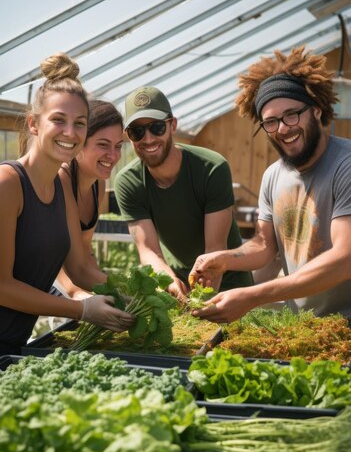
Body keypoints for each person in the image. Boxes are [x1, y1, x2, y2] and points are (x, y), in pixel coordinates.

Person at [189, 46, 351, 324]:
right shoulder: (273, 175)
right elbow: (265, 244)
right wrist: (225, 258)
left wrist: (254, 295)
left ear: (315, 110)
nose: (283, 129)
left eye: (292, 115)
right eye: (271, 122)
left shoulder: (345, 165)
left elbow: (345, 258)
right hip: (302, 327)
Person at [0, 52, 134, 355]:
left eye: (80, 123)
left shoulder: (59, 189)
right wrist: (81, 309)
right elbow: (1, 285)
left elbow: (78, 265)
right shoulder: (8, 182)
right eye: (58, 120)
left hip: (13, 344)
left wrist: (133, 292)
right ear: (34, 124)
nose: (70, 133)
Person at [114, 85, 253, 300]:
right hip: (177, 281)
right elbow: (148, 249)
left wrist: (202, 301)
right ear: (128, 137)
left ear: (173, 125)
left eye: (157, 127)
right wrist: (168, 281)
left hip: (229, 281)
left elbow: (215, 248)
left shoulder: (211, 168)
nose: (148, 139)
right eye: (137, 131)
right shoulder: (128, 182)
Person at [54, 99, 124, 299]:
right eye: (103, 145)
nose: (113, 155)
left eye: (118, 146)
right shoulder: (60, 180)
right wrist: (78, 294)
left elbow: (85, 253)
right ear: (79, 143)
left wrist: (111, 285)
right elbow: (56, 262)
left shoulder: (97, 184)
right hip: (41, 284)